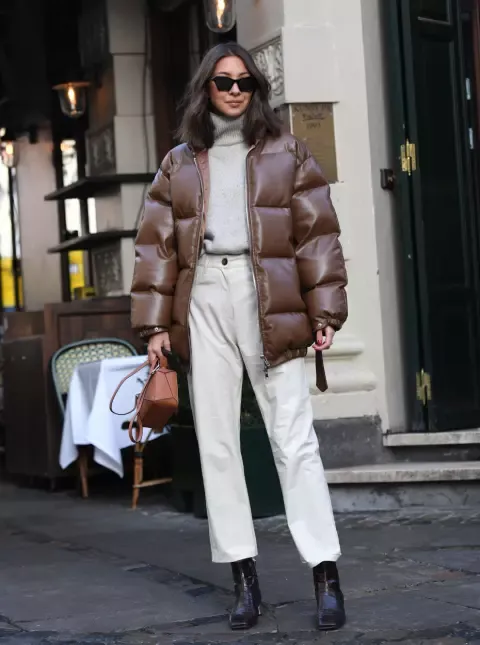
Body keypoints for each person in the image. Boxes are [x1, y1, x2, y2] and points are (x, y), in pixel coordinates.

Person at [131, 42, 348, 632]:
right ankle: (243, 579)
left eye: (244, 82)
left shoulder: (288, 151)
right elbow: (156, 246)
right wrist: (155, 325)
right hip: (203, 294)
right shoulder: (179, 162)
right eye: (223, 81)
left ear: (257, 89)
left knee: (294, 439)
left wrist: (324, 312)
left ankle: (325, 574)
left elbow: (318, 236)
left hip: (270, 296)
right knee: (217, 443)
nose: (233, 91)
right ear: (205, 87)